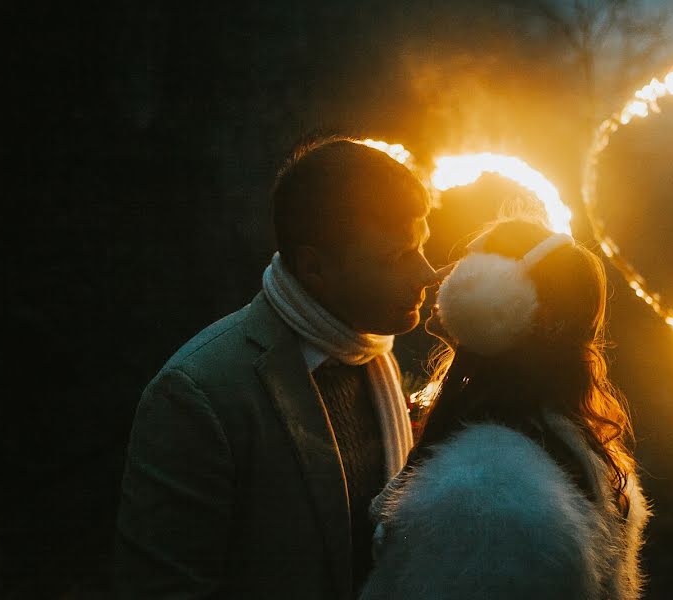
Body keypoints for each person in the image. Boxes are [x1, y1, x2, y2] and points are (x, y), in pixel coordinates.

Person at [114, 137, 440, 599]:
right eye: (395, 257)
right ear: (313, 266)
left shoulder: (372, 353)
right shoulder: (197, 394)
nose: (426, 273)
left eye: (421, 245)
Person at [360, 218, 650, 600]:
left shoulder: (482, 494)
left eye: (469, 267)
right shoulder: (574, 452)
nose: (444, 278)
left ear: (487, 305)